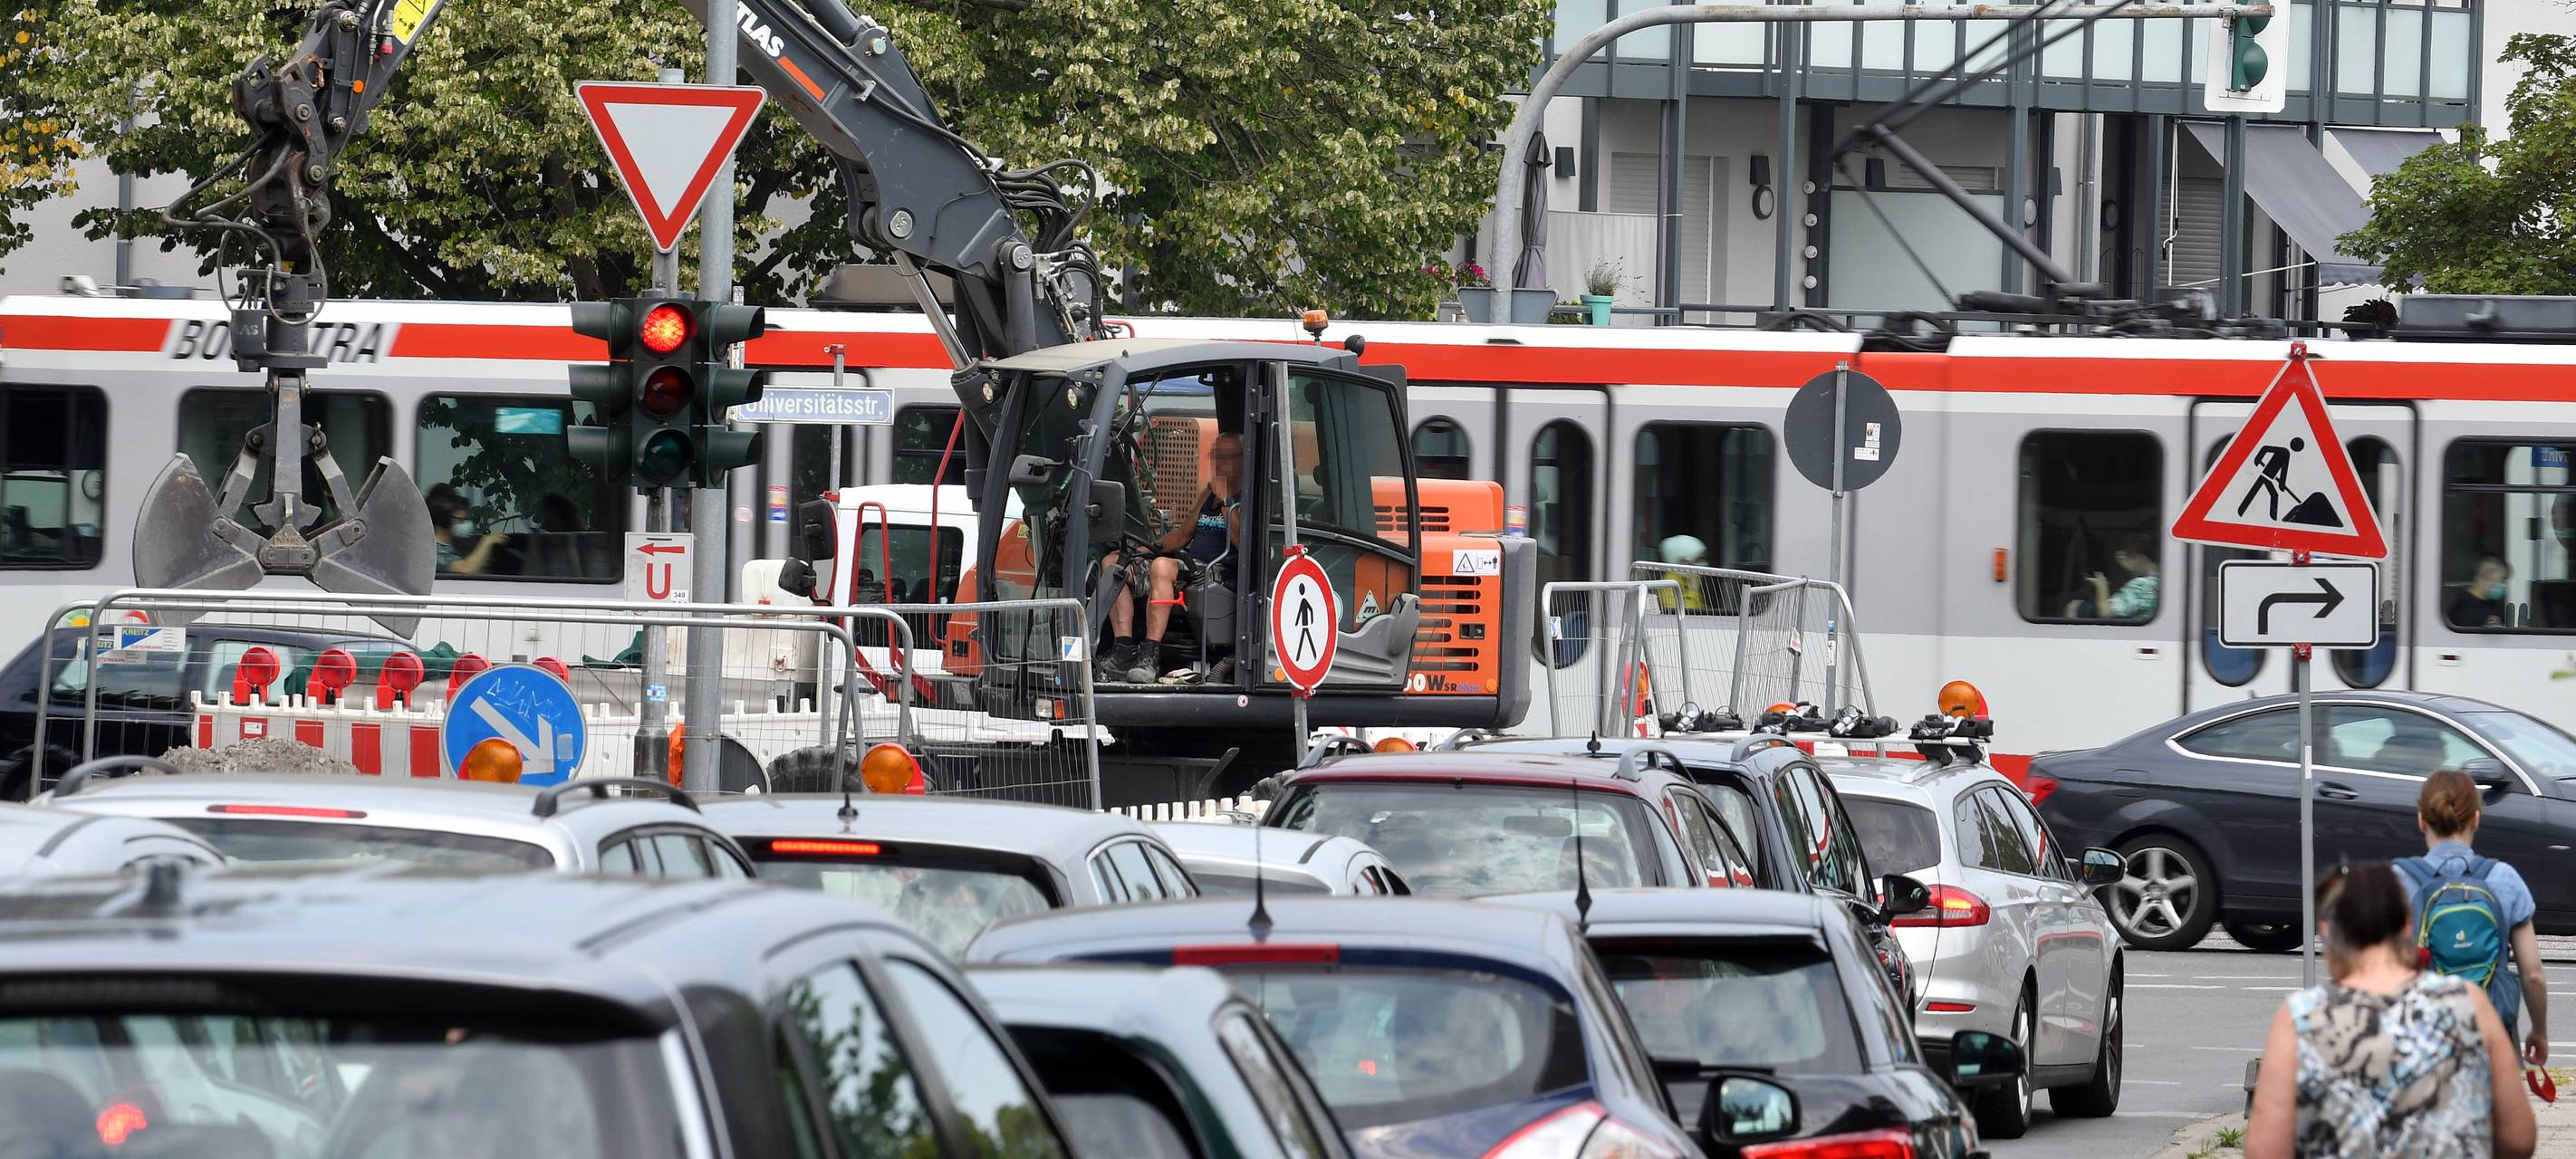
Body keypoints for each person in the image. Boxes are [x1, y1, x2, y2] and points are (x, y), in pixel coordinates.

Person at [2246, 861, 2533, 1159]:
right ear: (2407, 925)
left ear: (2327, 931)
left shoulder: (2300, 1017)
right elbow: (2519, 1139)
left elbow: (2265, 1150)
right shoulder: (2468, 1004)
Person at [2397, 770, 2550, 1068]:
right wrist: (2539, 1032)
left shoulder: (2397, 880)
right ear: (2477, 820)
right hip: (2490, 1039)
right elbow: (2532, 973)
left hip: (2421, 1043)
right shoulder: (2504, 878)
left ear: (2421, 820)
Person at [1099, 431, 1243, 684]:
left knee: (1162, 567)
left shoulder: (1245, 498)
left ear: (1243, 459)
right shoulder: (1207, 494)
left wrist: (1225, 500)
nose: (1220, 463)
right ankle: (1123, 649)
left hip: (1220, 569)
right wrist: (1144, 549)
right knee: (1113, 564)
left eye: (1227, 457)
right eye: (1217, 456)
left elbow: (1244, 541)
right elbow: (1183, 535)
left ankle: (1150, 655)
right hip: (1187, 565)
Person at [2064, 535, 2160, 619]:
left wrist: (2101, 586)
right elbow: (2136, 601)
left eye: (2131, 554)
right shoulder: (2162, 582)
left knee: (2075, 606)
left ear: (2139, 556)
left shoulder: (2142, 585)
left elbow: (2105, 612)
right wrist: (2131, 570)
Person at [428, 492, 505, 575]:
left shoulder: (458, 545)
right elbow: (465, 569)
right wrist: (486, 541)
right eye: (461, 520)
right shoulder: (434, 551)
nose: (465, 524)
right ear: (444, 519)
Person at [2448, 557, 2514, 629]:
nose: (2504, 585)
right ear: (2489, 575)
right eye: (2502, 580)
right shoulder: (2462, 605)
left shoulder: (2495, 604)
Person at [1657, 534, 1709, 610]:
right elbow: (1683, 615)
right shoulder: (1669, 584)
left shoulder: (1687, 580)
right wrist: (1693, 589)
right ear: (1683, 562)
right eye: (1699, 560)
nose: (1703, 564)